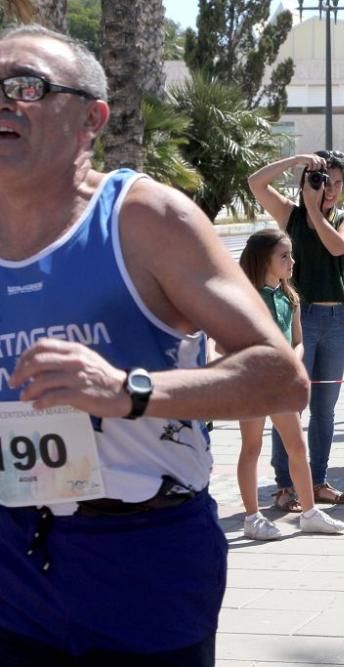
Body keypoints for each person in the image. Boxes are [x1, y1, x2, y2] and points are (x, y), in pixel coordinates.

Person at [0, 25, 309, 664]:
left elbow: (280, 376)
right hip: (12, 556)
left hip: (140, 548)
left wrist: (129, 390)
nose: (3, 102)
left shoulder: (144, 219)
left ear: (92, 118)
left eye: (24, 86)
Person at [248, 149, 344, 509]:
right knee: (291, 403)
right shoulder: (291, 215)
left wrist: (315, 207)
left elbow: (338, 245)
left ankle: (318, 481)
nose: (331, 190)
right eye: (324, 182)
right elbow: (255, 183)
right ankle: (285, 486)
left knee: (325, 409)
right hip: (301, 318)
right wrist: (296, 160)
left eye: (338, 183)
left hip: (336, 321)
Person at [236, 230, 344, 537]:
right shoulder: (246, 298)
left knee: (297, 446)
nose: (292, 262)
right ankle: (251, 517)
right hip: (254, 384)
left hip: (282, 384)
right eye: (284, 256)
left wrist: (292, 360)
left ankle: (310, 513)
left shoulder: (290, 297)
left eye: (291, 255)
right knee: (252, 446)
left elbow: (298, 341)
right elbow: (228, 343)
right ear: (263, 260)